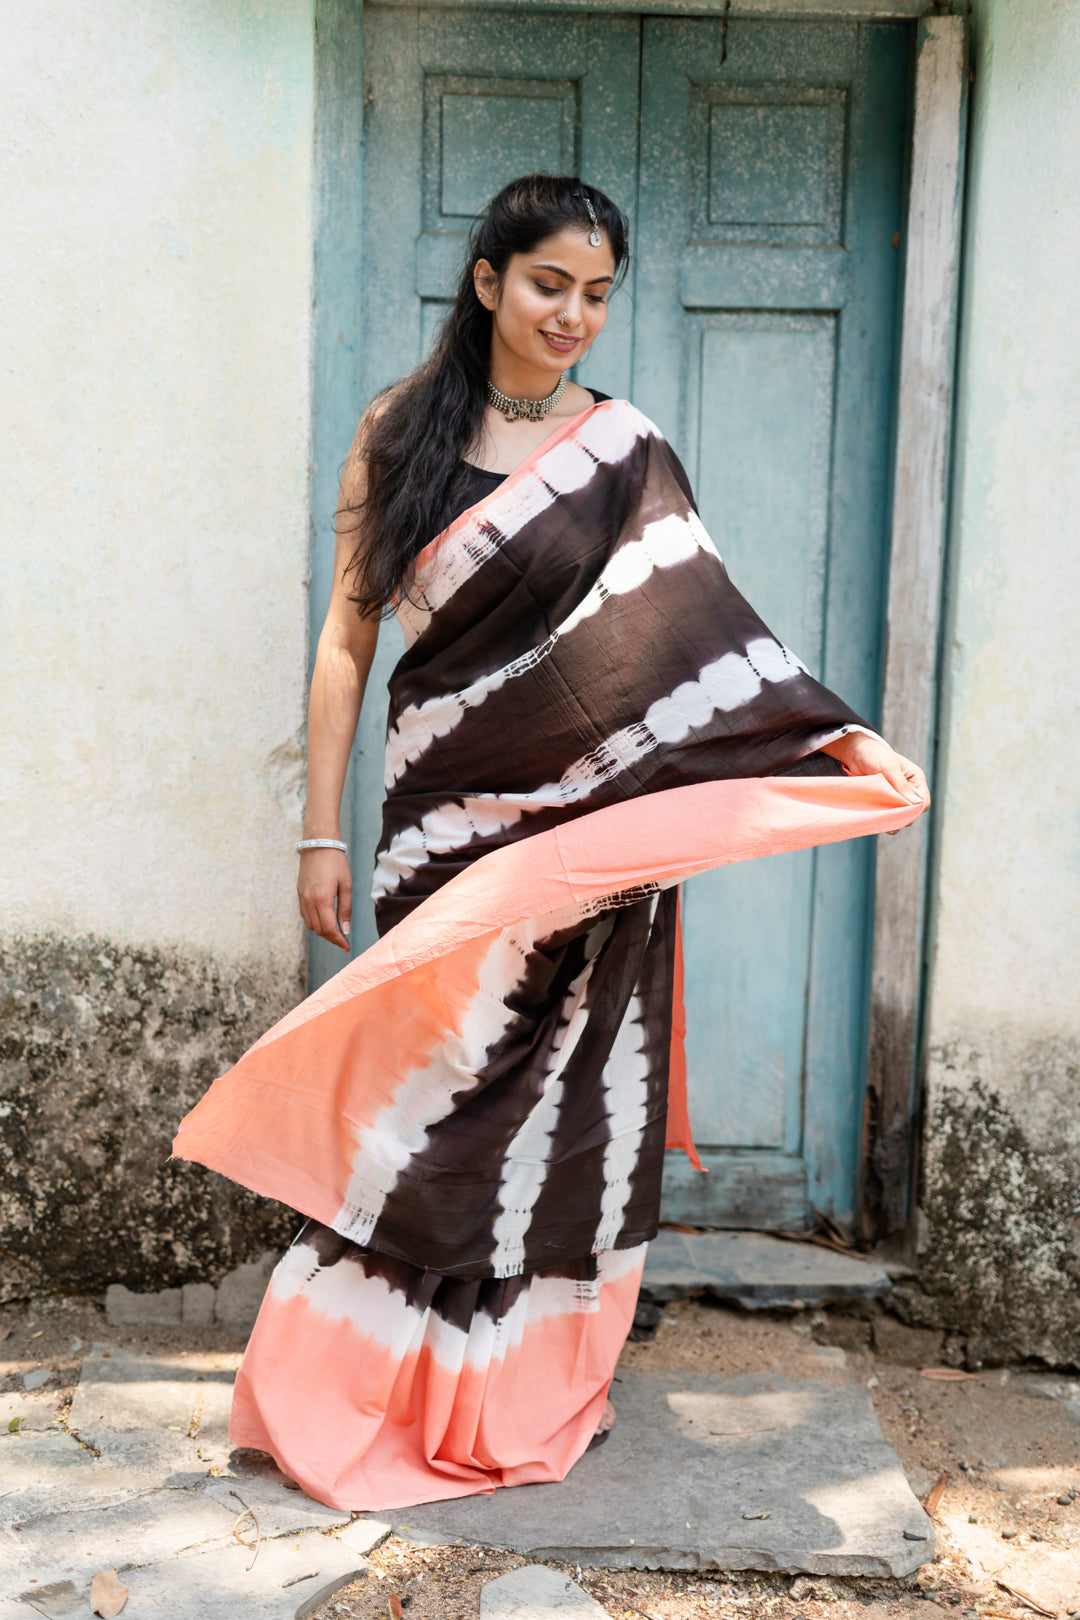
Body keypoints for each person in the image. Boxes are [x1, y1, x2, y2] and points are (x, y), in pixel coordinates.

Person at [173, 174, 927, 1511]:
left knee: (564, 1111)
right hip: (441, 833)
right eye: (547, 284)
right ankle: (356, 1381)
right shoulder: (396, 436)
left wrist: (836, 740)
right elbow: (348, 645)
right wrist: (315, 834)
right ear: (487, 281)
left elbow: (710, 649)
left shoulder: (625, 451)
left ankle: (514, 1382)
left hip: (586, 848)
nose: (572, 314)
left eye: (595, 293)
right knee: (427, 1109)